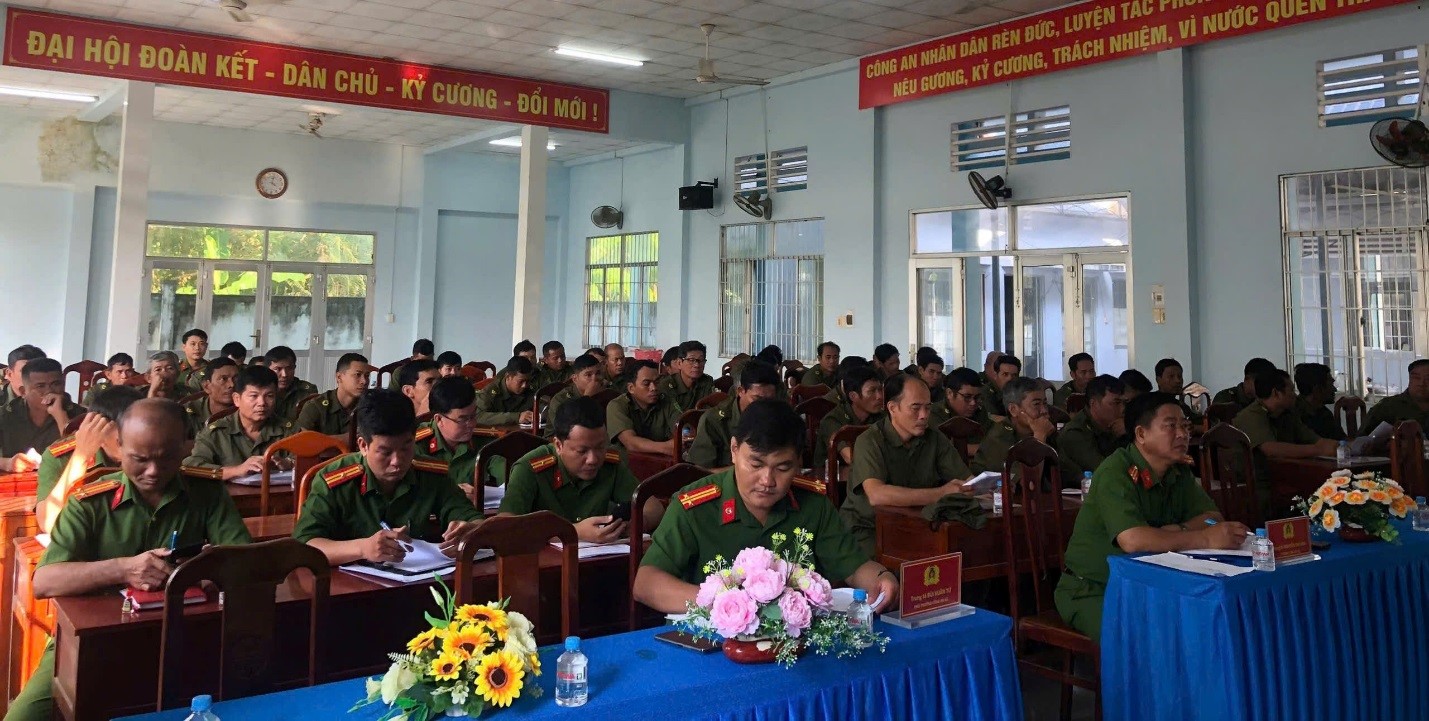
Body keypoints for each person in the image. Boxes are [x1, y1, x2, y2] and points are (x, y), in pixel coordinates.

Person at [10, 399, 251, 721]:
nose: (153, 472)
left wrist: (202, 572)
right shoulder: (89, 503)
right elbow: (45, 581)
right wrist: (124, 567)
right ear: (119, 447)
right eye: (139, 459)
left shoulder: (205, 493)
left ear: (185, 448)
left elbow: (245, 561)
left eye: (166, 459)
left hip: (188, 635)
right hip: (94, 641)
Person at [633, 399, 898, 614]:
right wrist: (730, 602)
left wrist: (882, 578)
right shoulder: (695, 506)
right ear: (734, 450)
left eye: (783, 468)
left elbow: (853, 567)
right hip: (711, 642)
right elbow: (646, 584)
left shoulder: (812, 506)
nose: (767, 481)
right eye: (756, 465)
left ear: (797, 463)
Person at [1055, 393, 1248, 641]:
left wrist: (1175, 531)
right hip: (1094, 589)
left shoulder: (1177, 469)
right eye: (1170, 426)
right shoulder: (1115, 472)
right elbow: (1133, 541)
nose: (1182, 434)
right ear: (1141, 434)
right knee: (1154, 636)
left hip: (1150, 585)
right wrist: (1205, 539)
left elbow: (1212, 518)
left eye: (1185, 426)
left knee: (1206, 622)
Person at [292, 389, 482, 566]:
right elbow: (305, 545)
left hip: (413, 583)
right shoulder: (334, 480)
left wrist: (469, 530)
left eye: (406, 448)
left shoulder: (431, 474)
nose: (397, 461)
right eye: (385, 452)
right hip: (347, 589)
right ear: (363, 446)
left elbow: (474, 519)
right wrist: (362, 548)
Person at [841, 375, 972, 556]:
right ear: (893, 408)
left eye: (928, 408)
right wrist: (941, 493)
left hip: (917, 525)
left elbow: (967, 481)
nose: (924, 415)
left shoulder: (934, 438)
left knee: (963, 555)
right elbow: (877, 495)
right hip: (868, 529)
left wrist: (985, 488)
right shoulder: (870, 441)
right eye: (916, 408)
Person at [501, 397, 664, 541]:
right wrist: (574, 532)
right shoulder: (530, 468)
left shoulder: (609, 465)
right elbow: (505, 527)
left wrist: (636, 524)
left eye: (600, 447)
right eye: (582, 451)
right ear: (558, 445)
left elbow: (653, 507)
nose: (593, 459)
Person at [35, 386, 142, 533]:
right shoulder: (61, 456)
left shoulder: (155, 450)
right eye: (122, 440)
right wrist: (81, 456)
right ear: (97, 428)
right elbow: (49, 523)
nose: (135, 447)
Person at [1232, 368, 1337, 506]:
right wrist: (1318, 450)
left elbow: (1314, 439)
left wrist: (1341, 447)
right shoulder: (1251, 415)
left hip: (1282, 478)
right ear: (1276, 393)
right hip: (1256, 485)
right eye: (1291, 390)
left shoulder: (1287, 415)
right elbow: (1271, 449)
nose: (1295, 395)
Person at [183, 366, 292, 479]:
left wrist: (289, 463)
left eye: (269, 396)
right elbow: (191, 466)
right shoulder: (216, 433)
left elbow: (308, 458)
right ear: (237, 399)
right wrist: (236, 470)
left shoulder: (289, 430)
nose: (262, 403)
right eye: (254, 396)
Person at [686, 360, 781, 469]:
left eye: (769, 400)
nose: (764, 405)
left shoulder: (778, 415)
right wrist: (745, 469)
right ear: (741, 391)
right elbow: (701, 472)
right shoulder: (714, 420)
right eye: (757, 398)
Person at [414, 376, 489, 495]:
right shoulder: (415, 445)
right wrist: (449, 492)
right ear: (439, 419)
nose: (471, 424)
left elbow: (509, 475)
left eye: (473, 416)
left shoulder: (485, 440)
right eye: (463, 419)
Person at [0, 358, 82, 465]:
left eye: (56, 384)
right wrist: (7, 463)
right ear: (23, 392)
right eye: (40, 386)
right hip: (17, 478)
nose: (49, 391)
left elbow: (83, 455)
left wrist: (60, 416)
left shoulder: (80, 415)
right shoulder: (6, 415)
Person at [971, 376, 1058, 476]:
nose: (1044, 410)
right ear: (1013, 409)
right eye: (1036, 404)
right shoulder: (999, 437)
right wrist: (1040, 436)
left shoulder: (1046, 430)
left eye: (1045, 403)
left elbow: (1067, 473)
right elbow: (1029, 483)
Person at [1057, 375, 1127, 480]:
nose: (1122, 409)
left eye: (1124, 403)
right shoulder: (1075, 432)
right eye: (1116, 403)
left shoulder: (1113, 427)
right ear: (1093, 403)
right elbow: (1106, 471)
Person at [816, 365, 886, 468]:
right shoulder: (833, 420)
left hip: (870, 474)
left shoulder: (881, 416)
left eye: (880, 390)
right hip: (832, 478)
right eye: (872, 391)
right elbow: (850, 457)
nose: (879, 396)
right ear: (853, 396)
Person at [607, 360, 680, 454]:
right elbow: (631, 443)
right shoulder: (617, 405)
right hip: (626, 462)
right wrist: (666, 447)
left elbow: (684, 430)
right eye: (646, 383)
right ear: (631, 388)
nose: (654, 388)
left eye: (657, 382)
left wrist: (683, 437)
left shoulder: (666, 400)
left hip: (662, 461)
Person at [293, 353, 370, 438]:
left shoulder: (370, 407)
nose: (364, 381)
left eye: (367, 376)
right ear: (339, 377)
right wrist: (342, 439)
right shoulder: (316, 407)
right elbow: (301, 444)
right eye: (357, 375)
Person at [1360, 359, 1429, 434]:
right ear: (1409, 379)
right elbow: (1361, 440)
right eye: (1416, 378)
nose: (1421, 383)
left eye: (1428, 379)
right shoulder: (1387, 407)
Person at [542, 353, 604, 437]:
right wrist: (587, 399)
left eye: (598, 373)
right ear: (575, 379)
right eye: (588, 375)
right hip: (558, 441)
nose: (595, 379)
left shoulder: (606, 393)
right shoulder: (561, 399)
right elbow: (568, 430)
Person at [182, 358, 238, 438]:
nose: (232, 384)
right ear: (206, 386)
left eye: (236, 379)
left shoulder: (247, 412)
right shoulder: (187, 413)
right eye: (223, 379)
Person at [474, 356, 535, 426]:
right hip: (495, 435)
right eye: (521, 381)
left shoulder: (529, 389)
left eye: (528, 381)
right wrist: (516, 417)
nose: (524, 385)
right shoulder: (490, 391)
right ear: (508, 376)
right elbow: (478, 416)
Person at [658, 341, 716, 413]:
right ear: (679, 363)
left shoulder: (707, 381)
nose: (697, 365)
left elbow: (710, 410)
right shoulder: (666, 386)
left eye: (701, 360)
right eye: (691, 360)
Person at [1293, 362, 1345, 441]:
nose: (1334, 390)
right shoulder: (1294, 416)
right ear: (1317, 389)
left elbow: (1342, 440)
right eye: (1330, 385)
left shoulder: (1324, 413)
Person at [266, 346, 320, 421]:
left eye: (289, 368)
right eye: (277, 369)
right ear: (267, 369)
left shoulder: (307, 391)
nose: (284, 374)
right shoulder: (261, 391)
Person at [943, 367, 993, 444]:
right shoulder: (935, 414)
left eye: (977, 397)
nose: (973, 403)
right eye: (967, 397)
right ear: (950, 393)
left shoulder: (979, 412)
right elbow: (943, 449)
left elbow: (991, 441)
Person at [1154, 358, 1203, 424]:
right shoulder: (1151, 405)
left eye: (1180, 376)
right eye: (1171, 376)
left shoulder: (1181, 406)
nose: (1178, 381)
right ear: (1158, 380)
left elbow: (1201, 423)